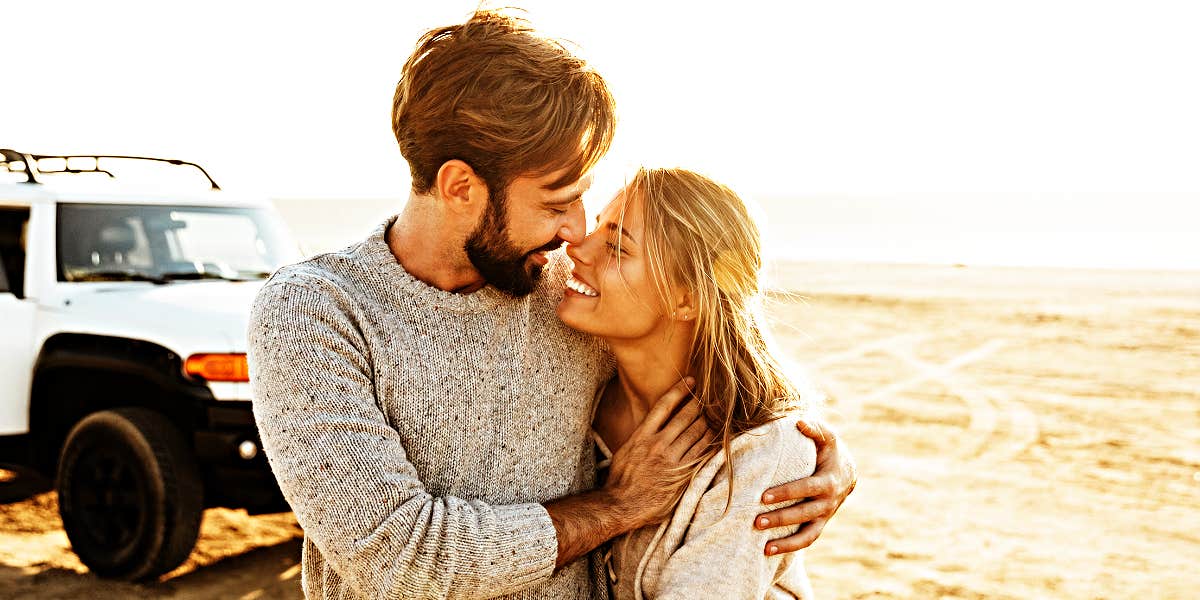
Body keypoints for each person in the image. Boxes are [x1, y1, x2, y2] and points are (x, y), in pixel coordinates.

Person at [247, 10, 856, 599]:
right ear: (461, 186)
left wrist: (816, 452)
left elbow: (715, 354)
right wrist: (617, 508)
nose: (576, 231)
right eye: (556, 201)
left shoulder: (564, 288)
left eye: (583, 197)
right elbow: (396, 557)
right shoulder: (313, 311)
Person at [560, 168, 823, 599]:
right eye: (595, 229)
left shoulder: (761, 450)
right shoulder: (574, 393)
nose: (577, 249)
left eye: (616, 246)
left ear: (686, 298)